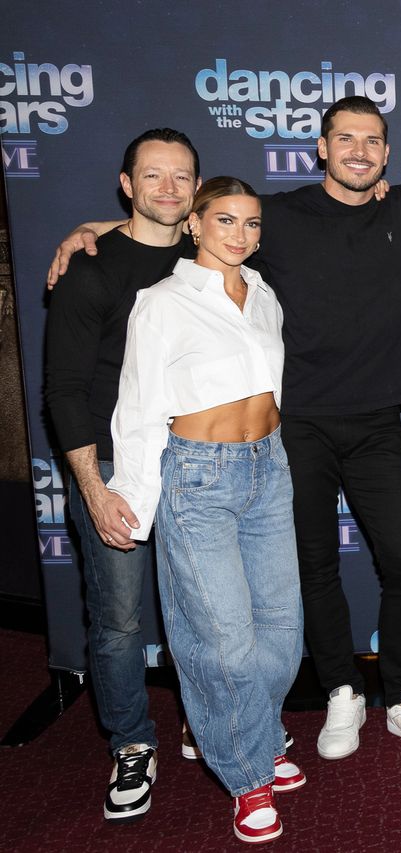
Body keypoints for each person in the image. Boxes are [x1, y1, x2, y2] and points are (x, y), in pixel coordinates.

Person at [48, 97, 401, 763]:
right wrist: (99, 228)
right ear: (321, 147)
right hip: (297, 428)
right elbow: (198, 220)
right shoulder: (277, 215)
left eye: (372, 140)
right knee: (314, 567)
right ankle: (341, 688)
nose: (359, 151)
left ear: (387, 154)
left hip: (379, 423)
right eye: (346, 139)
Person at [108, 177, 304, 843]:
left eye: (252, 222)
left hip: (268, 467)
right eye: (225, 220)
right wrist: (133, 500)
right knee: (222, 638)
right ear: (194, 223)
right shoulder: (161, 303)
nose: (241, 234)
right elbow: (136, 405)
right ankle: (248, 776)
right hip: (198, 477)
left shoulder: (265, 295)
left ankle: (262, 731)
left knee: (282, 627)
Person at [44, 128, 199, 823]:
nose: (168, 189)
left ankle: (205, 719)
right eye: (153, 176)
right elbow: (65, 389)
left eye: (182, 177)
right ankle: (133, 740)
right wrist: (93, 487)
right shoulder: (90, 267)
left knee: (204, 610)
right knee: (120, 619)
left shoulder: (212, 255)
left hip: (197, 462)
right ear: (126, 183)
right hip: (115, 468)